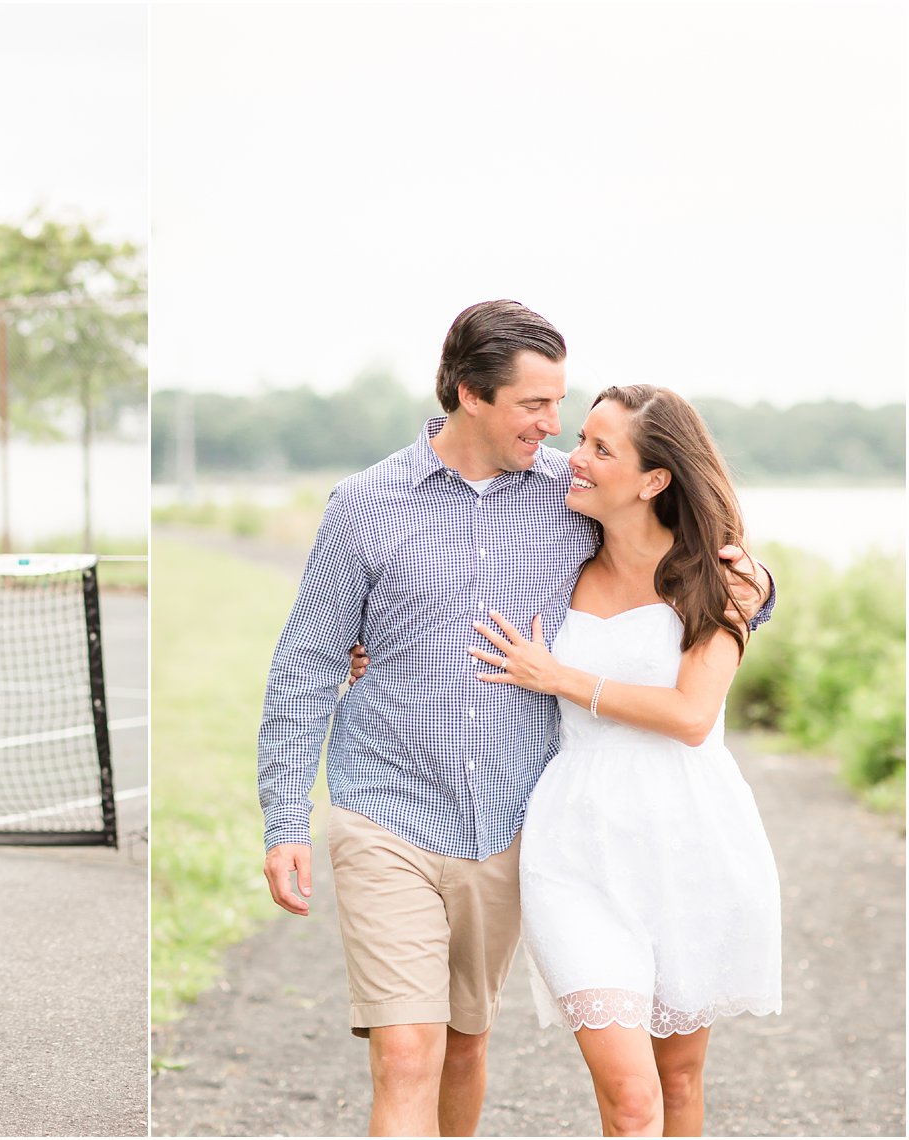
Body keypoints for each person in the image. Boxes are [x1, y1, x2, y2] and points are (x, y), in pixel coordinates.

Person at [256, 299, 773, 1137]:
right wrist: (283, 819)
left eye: (559, 404)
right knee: (406, 1054)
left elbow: (673, 570)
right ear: (470, 393)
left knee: (463, 1046)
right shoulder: (363, 506)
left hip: (509, 817)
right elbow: (308, 661)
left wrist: (761, 589)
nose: (554, 426)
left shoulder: (570, 498)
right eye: (535, 405)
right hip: (384, 803)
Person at [466, 385, 781, 1136]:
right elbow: (459, 616)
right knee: (632, 1097)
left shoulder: (726, 578)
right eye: (580, 438)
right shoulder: (557, 563)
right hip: (575, 847)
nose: (572, 457)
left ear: (654, 480)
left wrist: (561, 677)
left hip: (692, 841)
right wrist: (366, 653)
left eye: (601, 449)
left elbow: (691, 715)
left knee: (678, 1080)